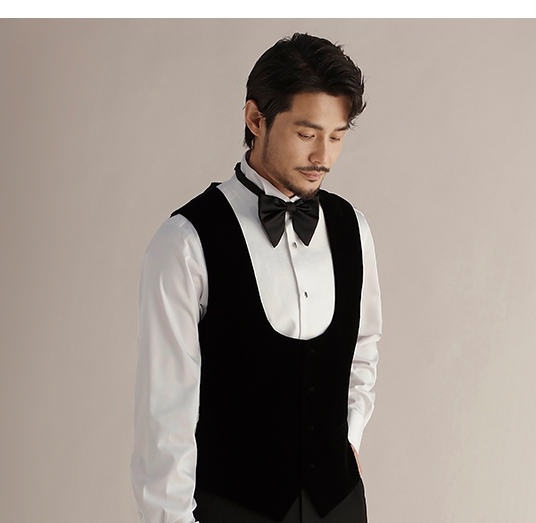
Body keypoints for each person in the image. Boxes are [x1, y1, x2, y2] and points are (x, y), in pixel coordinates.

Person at [131, 32, 382, 523]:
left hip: (339, 506)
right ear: (255, 118)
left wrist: (348, 437)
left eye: (337, 137)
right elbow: (165, 417)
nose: (323, 157)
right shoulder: (185, 243)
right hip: (233, 509)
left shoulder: (354, 229)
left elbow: (363, 348)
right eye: (307, 134)